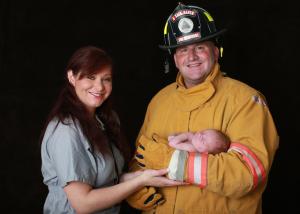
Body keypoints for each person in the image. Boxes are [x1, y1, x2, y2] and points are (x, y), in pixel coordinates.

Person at [127, 3, 279, 213]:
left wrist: (173, 161)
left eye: (200, 47)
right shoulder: (159, 101)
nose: (192, 57)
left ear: (215, 52)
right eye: (183, 50)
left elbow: (246, 173)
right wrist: (135, 186)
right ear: (175, 59)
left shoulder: (246, 100)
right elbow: (142, 155)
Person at [40, 46, 183, 214]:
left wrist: (147, 176)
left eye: (106, 79)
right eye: (91, 77)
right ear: (72, 77)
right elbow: (82, 203)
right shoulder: (66, 131)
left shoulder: (104, 120)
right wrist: (140, 181)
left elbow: (108, 180)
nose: (99, 87)